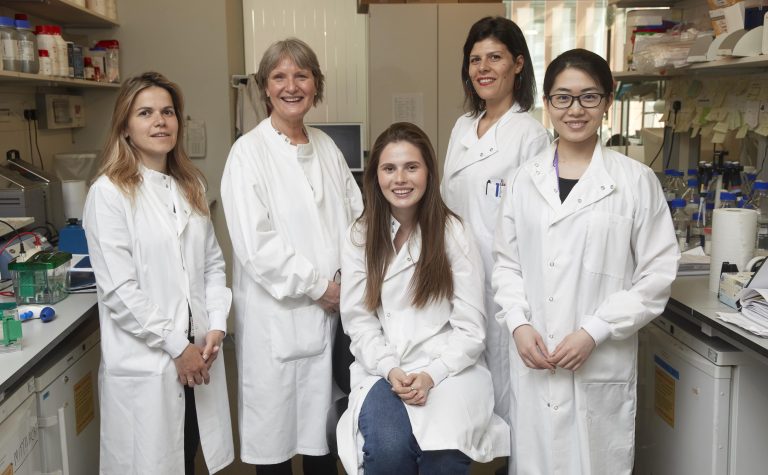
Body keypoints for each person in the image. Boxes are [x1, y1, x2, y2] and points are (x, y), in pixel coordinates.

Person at [492, 49, 680, 475]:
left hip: (600, 365)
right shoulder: (525, 179)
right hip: (535, 359)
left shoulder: (635, 182)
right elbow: (506, 264)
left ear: (608, 102)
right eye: (563, 98)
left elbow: (656, 277)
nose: (575, 110)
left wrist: (594, 331)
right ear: (547, 103)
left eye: (589, 97)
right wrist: (519, 325)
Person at [221, 37, 363, 475]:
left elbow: (357, 219)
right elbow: (256, 245)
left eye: (301, 75)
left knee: (326, 439)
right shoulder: (248, 153)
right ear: (265, 87)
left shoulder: (325, 147)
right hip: (277, 321)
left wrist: (351, 281)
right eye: (279, 76)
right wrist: (320, 287)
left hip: (333, 319)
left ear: (315, 84)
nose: (291, 86)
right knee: (277, 447)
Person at [337, 122, 509, 475]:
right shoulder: (361, 235)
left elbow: (471, 327)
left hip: (449, 369)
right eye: (389, 168)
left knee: (442, 456)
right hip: (384, 367)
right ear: (376, 176)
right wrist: (390, 368)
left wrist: (432, 373)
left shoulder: (453, 232)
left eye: (411, 167)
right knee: (388, 450)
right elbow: (358, 320)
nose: (400, 179)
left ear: (429, 172)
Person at [83, 72, 234, 474]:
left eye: (168, 112)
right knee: (152, 463)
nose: (160, 121)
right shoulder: (108, 193)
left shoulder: (191, 186)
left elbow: (212, 264)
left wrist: (215, 324)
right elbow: (119, 291)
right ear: (126, 128)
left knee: (186, 455)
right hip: (150, 361)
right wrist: (176, 346)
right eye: (145, 112)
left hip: (196, 353)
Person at [441, 16, 549, 424]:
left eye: (495, 57)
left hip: (502, 283)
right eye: (475, 59)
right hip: (455, 277)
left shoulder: (530, 134)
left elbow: (530, 226)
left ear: (517, 64)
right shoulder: (463, 127)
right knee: (463, 388)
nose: (483, 68)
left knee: (507, 390)